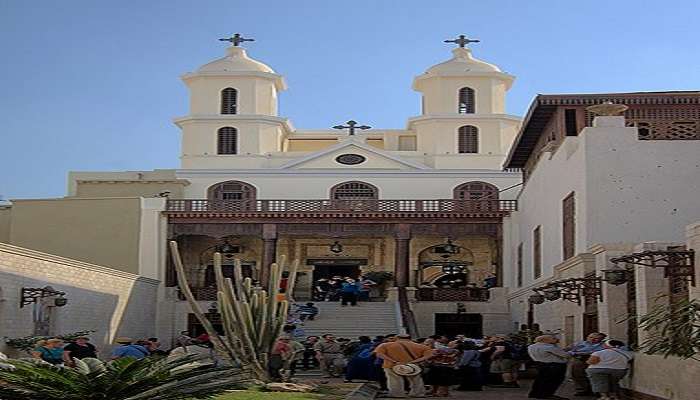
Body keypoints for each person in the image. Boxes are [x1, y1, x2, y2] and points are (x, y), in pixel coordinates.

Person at [373, 333, 433, 398]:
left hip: (392, 365)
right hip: (413, 366)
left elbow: (379, 354)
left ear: (397, 338)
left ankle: (397, 394)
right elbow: (428, 356)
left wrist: (394, 361)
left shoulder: (385, 345)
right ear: (410, 338)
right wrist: (414, 361)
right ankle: (417, 393)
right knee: (416, 380)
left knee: (394, 380)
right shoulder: (422, 346)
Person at [527, 335, 570, 400]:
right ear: (545, 340)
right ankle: (548, 394)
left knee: (540, 380)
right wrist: (573, 352)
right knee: (553, 380)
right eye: (553, 338)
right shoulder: (549, 347)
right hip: (554, 365)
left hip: (540, 364)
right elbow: (565, 355)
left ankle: (535, 393)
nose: (557, 339)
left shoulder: (531, 346)